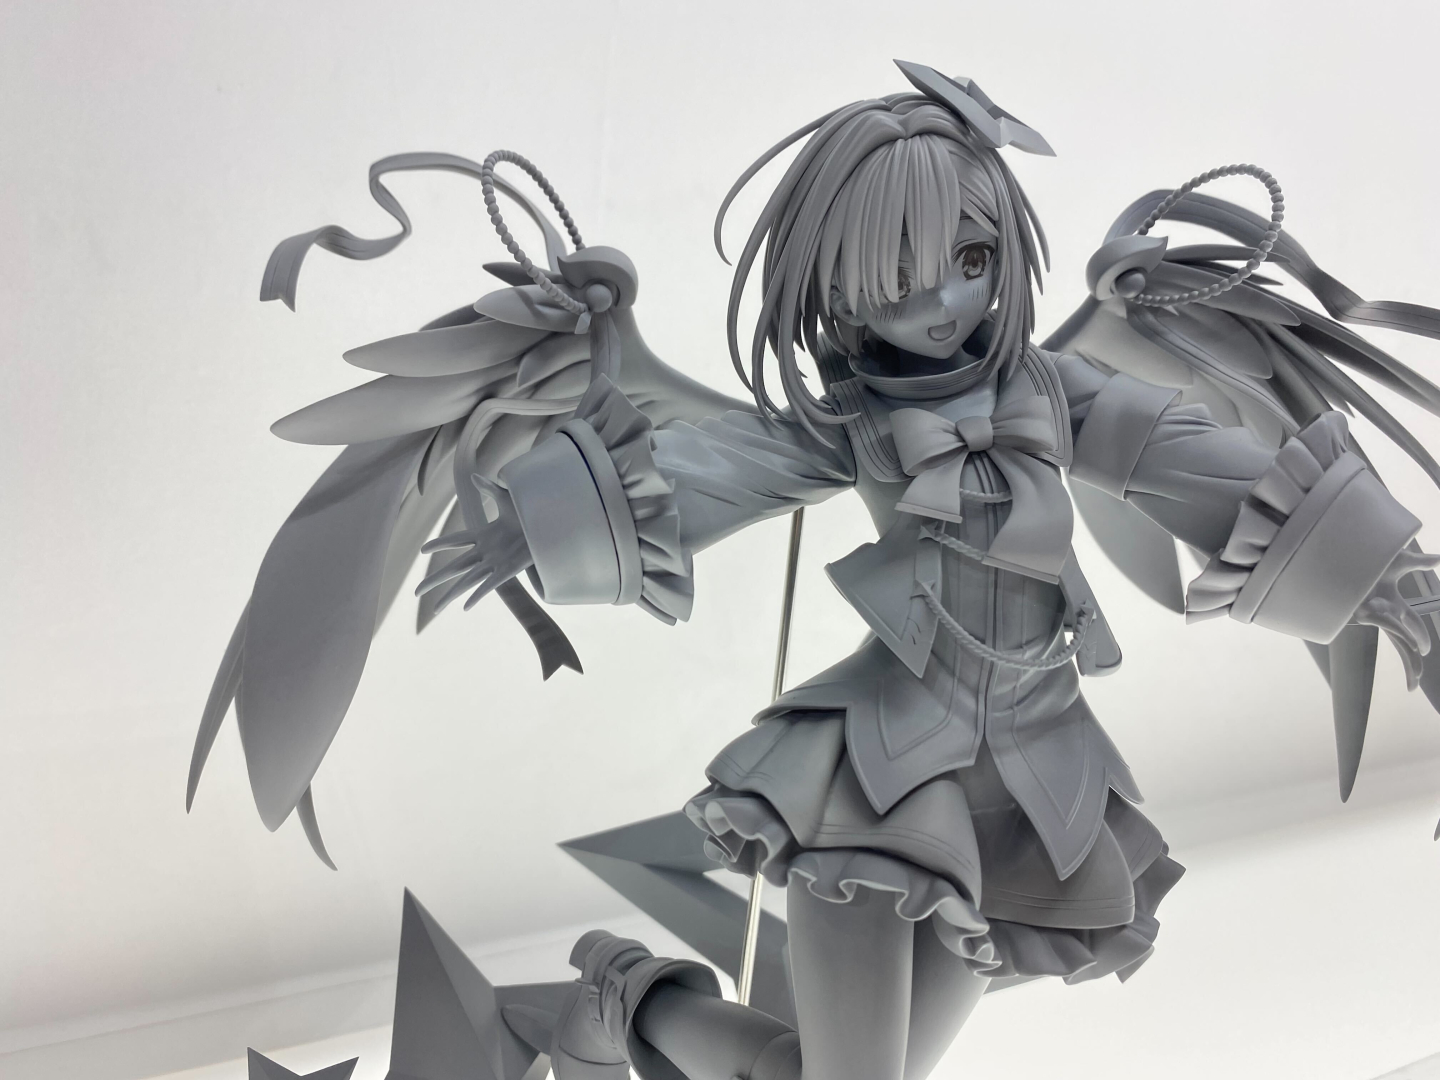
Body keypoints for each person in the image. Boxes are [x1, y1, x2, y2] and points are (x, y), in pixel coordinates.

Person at [196, 63, 1440, 1080]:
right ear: (836, 290)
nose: (942, 301)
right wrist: (538, 516)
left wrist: (1392, 576)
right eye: (897, 280)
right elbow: (712, 471)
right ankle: (619, 1003)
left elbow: (1193, 461)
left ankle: (615, 1004)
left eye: (968, 259)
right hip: (879, 779)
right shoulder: (850, 426)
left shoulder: (1057, 390)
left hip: (1038, 784)